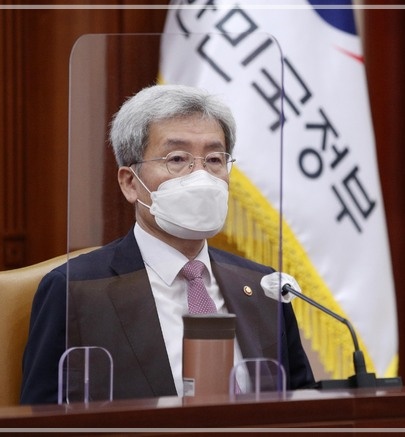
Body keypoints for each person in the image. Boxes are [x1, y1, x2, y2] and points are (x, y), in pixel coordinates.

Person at [20, 84, 315, 404]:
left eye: (214, 159)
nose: (200, 175)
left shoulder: (263, 286)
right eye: (177, 158)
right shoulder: (75, 290)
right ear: (130, 183)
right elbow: (39, 419)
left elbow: (305, 407)